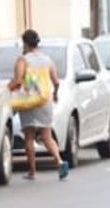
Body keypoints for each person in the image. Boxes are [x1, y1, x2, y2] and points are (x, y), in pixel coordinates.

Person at [7, 29, 68, 180]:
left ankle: (32, 171)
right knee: (47, 136)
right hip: (45, 100)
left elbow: (18, 80)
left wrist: (6, 91)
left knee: (29, 135)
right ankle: (59, 161)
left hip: (29, 101)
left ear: (25, 43)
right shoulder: (47, 60)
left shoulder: (23, 60)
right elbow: (56, 81)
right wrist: (55, 94)